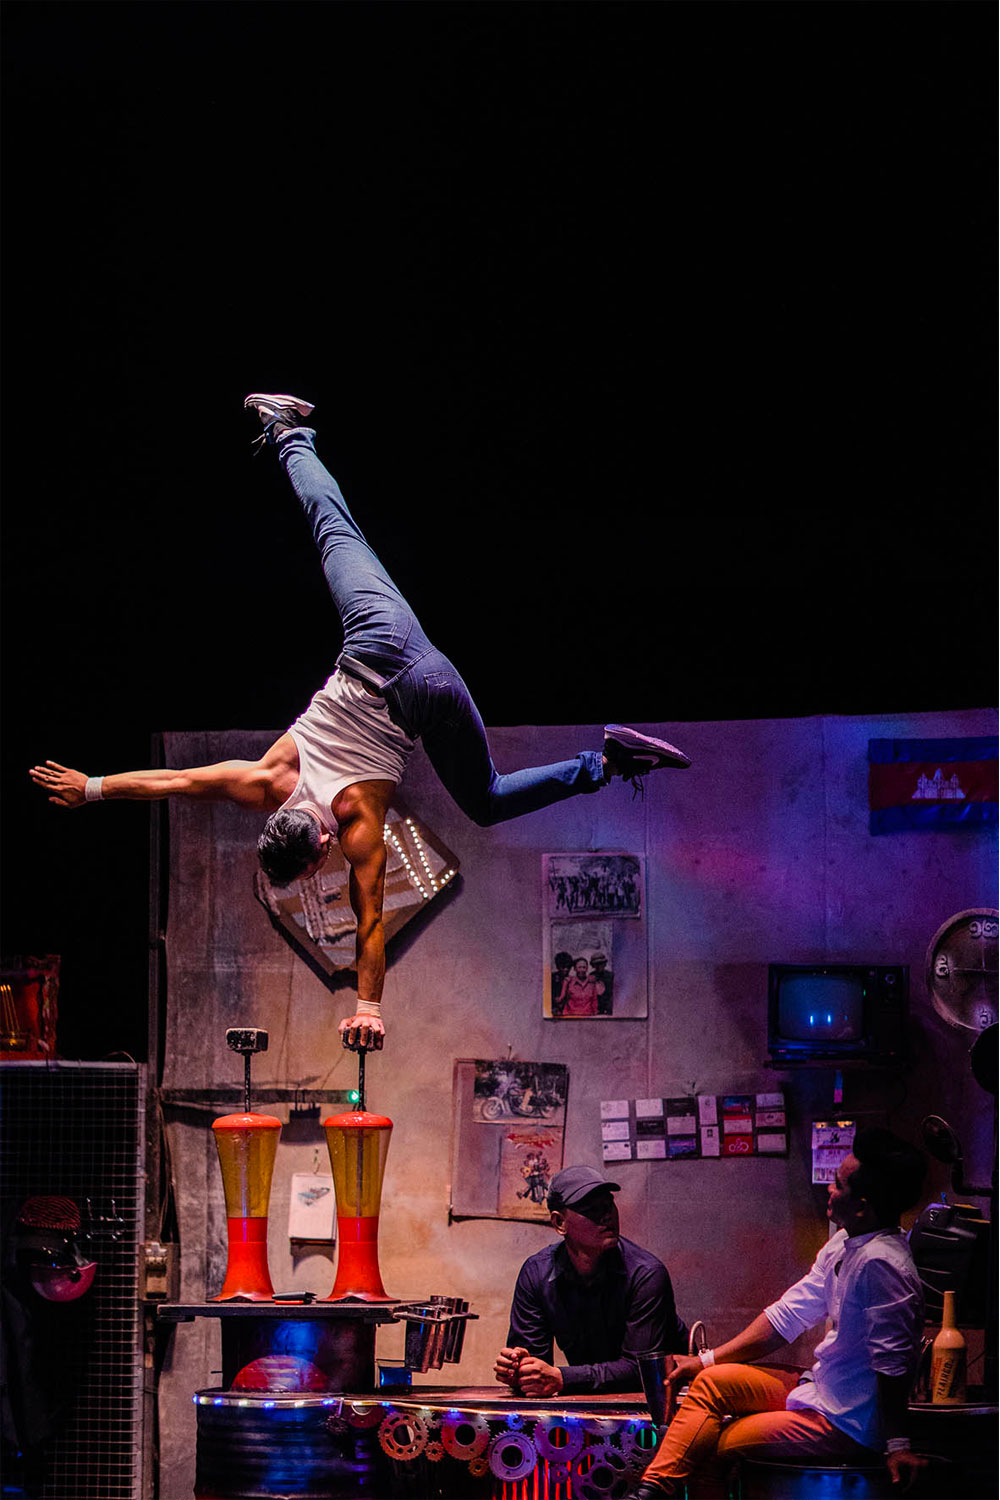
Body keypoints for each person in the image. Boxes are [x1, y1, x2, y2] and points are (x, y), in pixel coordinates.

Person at [30, 395, 691, 1052]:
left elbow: (371, 924)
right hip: (380, 638)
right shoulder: (265, 780)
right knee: (332, 531)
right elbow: (172, 783)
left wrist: (369, 1007)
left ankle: (607, 762)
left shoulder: (356, 826)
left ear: (316, 848)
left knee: (487, 800)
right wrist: (91, 787)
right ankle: (285, 428)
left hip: (431, 690)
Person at [629, 1129, 928, 1498]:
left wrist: (897, 1445)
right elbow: (786, 1317)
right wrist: (705, 1361)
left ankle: (648, 1494)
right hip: (820, 1389)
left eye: (837, 1185)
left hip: (845, 1420)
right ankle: (648, 1492)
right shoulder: (843, 1242)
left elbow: (893, 1365)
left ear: (864, 1206)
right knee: (710, 1383)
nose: (829, 1191)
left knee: (712, 1446)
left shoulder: (883, 1265)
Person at [494, 1165, 688, 1395]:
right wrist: (518, 1369)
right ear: (559, 1223)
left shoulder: (646, 1274)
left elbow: (642, 1369)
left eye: (608, 1205)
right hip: (594, 1401)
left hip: (666, 1398)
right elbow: (534, 1370)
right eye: (591, 1209)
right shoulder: (536, 1274)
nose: (606, 1215)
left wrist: (562, 1378)